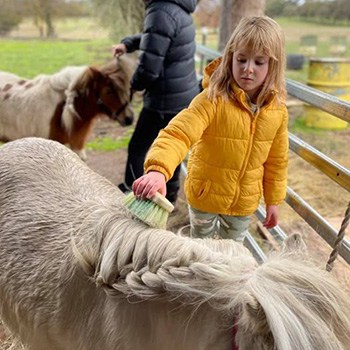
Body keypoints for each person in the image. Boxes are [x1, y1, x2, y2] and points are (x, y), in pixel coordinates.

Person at [132, 16, 289, 242]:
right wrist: (158, 170)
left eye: (259, 62)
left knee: (231, 256)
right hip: (204, 196)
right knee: (201, 250)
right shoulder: (212, 100)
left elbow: (277, 160)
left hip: (243, 202)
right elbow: (178, 134)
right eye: (241, 59)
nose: (248, 69)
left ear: (273, 65)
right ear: (230, 58)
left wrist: (274, 200)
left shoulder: (277, 112)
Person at [113, 0, 199, 205]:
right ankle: (169, 197)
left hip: (164, 99)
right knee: (174, 147)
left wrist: (132, 84)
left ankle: (132, 194)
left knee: (138, 147)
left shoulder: (160, 10)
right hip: (182, 95)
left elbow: (149, 68)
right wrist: (129, 43)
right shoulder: (176, 6)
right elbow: (156, 37)